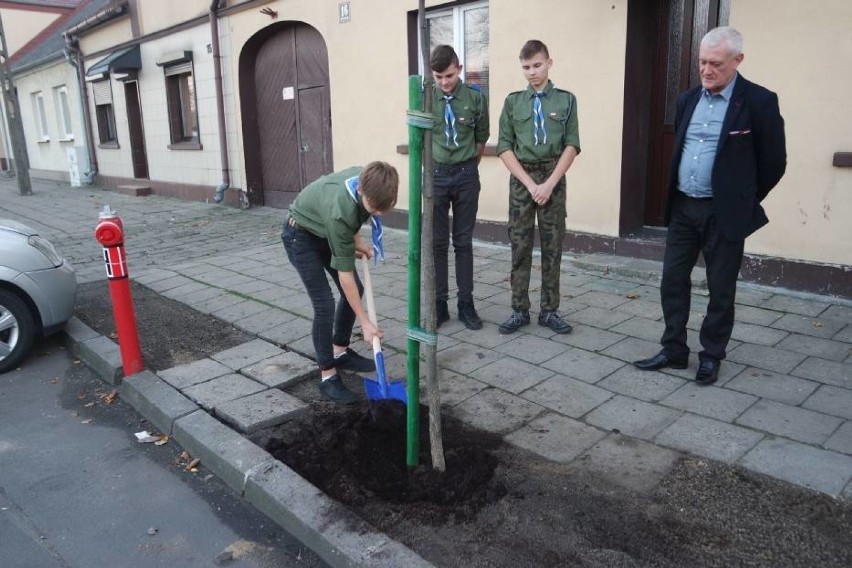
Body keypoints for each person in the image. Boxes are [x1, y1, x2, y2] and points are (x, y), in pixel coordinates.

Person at [634, 27, 786, 385]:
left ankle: (711, 354)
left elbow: (774, 162)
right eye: (702, 61)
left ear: (738, 61)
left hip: (724, 213)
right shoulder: (688, 99)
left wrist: (741, 199)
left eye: (715, 63)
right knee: (672, 280)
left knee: (720, 288)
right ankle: (673, 349)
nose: (706, 70)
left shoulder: (759, 102)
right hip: (684, 207)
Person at [282, 162, 399, 404]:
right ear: (361, 192)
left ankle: (340, 351)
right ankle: (328, 376)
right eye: (373, 208)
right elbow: (345, 272)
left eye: (383, 208)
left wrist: (354, 241)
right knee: (325, 304)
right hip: (300, 236)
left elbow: (355, 215)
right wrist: (365, 323)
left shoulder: (369, 178)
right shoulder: (339, 213)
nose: (377, 213)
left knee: (357, 288)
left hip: (325, 229)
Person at [496, 40, 580, 335]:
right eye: (526, 67)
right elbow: (504, 147)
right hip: (523, 180)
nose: (532, 72)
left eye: (536, 65)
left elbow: (572, 145)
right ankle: (519, 309)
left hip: (553, 177)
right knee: (519, 245)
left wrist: (549, 184)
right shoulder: (513, 102)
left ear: (549, 63)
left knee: (552, 247)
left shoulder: (566, 101)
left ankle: (549, 310)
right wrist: (532, 185)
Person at [430, 45, 490, 330]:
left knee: (463, 242)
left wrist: (468, 168)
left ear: (460, 69)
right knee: (438, 243)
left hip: (466, 174)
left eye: (449, 75)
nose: (444, 82)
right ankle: (439, 305)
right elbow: (418, 139)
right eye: (439, 77)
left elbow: (481, 138)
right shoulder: (425, 97)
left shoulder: (476, 97)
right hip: (437, 176)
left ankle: (466, 304)